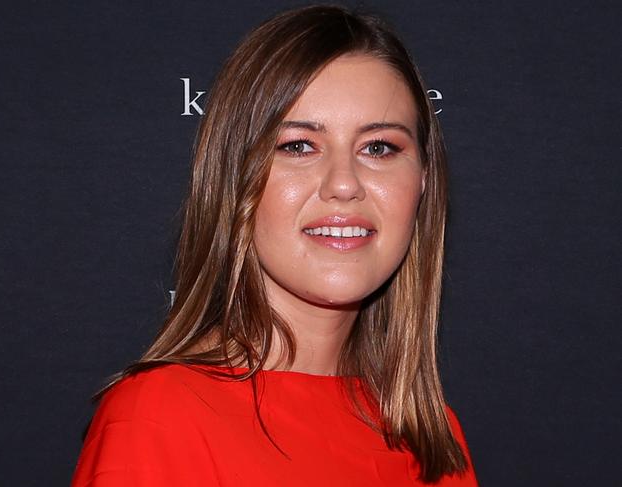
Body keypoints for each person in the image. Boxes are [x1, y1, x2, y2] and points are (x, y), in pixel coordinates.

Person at [70, 5, 478, 486]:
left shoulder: (433, 439)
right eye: (298, 146)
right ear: (234, 179)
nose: (344, 184)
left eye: (380, 147)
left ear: (424, 181)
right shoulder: (159, 417)